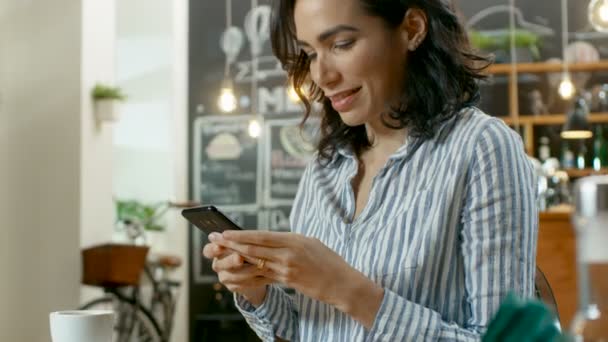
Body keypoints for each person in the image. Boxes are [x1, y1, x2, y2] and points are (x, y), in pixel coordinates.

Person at [203, 0, 538, 340]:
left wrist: (348, 291)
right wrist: (255, 292)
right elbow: (310, 331)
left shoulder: (481, 148)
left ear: (412, 29)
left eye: (341, 44)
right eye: (310, 53)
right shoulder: (325, 169)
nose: (322, 75)